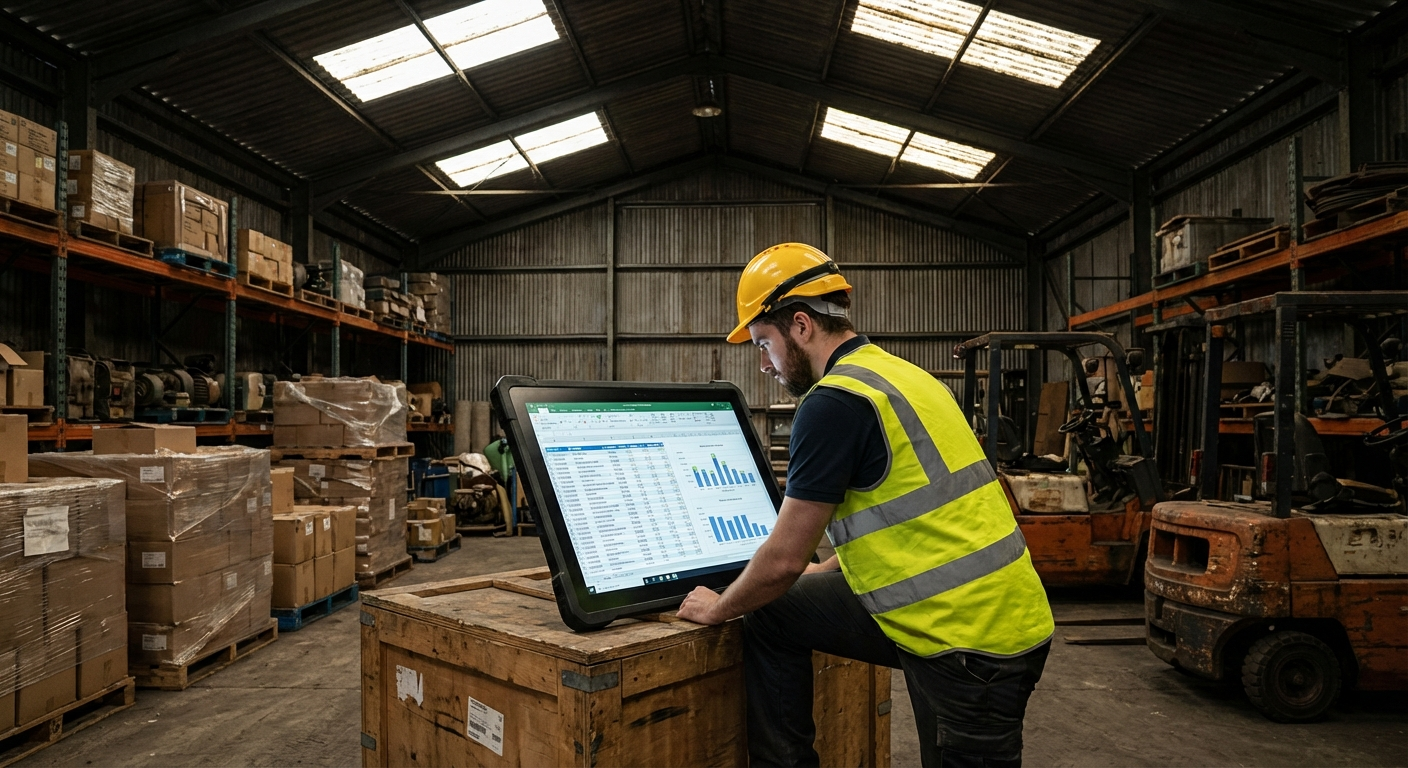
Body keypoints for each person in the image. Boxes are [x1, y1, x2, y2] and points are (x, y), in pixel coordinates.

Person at [676, 243, 1055, 768]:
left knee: (764, 596)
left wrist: (718, 607)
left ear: (802, 325)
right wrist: (824, 569)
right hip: (991, 613)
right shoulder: (904, 376)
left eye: (764, 343)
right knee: (773, 611)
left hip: (972, 644)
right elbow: (911, 511)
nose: (764, 364)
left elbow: (785, 559)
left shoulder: (832, 403)